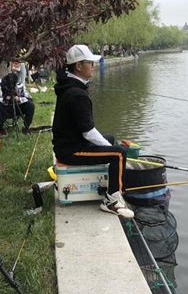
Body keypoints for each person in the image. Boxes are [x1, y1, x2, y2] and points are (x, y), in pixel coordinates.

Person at [52, 44, 134, 219]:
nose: (93, 66)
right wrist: (109, 148)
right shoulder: (76, 94)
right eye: (90, 63)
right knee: (119, 154)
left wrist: (107, 144)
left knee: (110, 139)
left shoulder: (70, 87)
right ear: (79, 66)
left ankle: (111, 185)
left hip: (67, 144)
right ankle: (111, 200)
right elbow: (88, 132)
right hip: (71, 150)